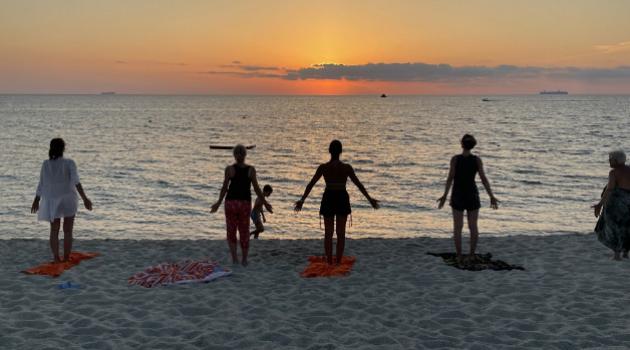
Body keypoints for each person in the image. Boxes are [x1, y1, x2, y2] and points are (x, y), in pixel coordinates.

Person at [294, 140, 379, 265]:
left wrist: (302, 200)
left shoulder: (323, 168)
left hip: (329, 197)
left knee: (328, 233)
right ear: (341, 152)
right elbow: (358, 185)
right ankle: (338, 262)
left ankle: (329, 262)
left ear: (329, 151)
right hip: (341, 198)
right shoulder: (346, 168)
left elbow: (311, 184)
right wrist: (370, 199)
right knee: (340, 233)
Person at [437, 134, 498, 264]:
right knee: (473, 226)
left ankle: (459, 255)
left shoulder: (455, 159)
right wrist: (491, 196)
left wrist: (444, 196)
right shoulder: (476, 160)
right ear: (473, 145)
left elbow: (450, 178)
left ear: (461, 144)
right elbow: (483, 179)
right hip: (471, 194)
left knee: (457, 227)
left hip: (458, 194)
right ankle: (471, 254)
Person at [30, 138, 93, 263]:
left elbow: (42, 183)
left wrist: (36, 200)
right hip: (68, 199)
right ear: (63, 148)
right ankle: (66, 258)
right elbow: (76, 182)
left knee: (54, 230)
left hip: (52, 200)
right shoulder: (69, 163)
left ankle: (56, 258)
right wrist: (85, 198)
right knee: (68, 230)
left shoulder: (46, 164)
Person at [210, 144, 272, 266]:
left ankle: (234, 259)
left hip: (231, 203)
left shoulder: (229, 169)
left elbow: (224, 188)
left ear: (234, 155)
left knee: (231, 231)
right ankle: (244, 259)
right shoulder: (251, 170)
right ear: (245, 155)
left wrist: (218, 202)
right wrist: (266, 203)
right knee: (244, 231)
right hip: (244, 204)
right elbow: (257, 189)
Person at [593, 150, 630, 260]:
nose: (609, 161)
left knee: (614, 227)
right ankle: (626, 253)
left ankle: (617, 255)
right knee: (627, 226)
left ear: (616, 161)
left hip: (617, 204)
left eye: (611, 159)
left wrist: (599, 204)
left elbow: (610, 189)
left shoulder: (613, 172)